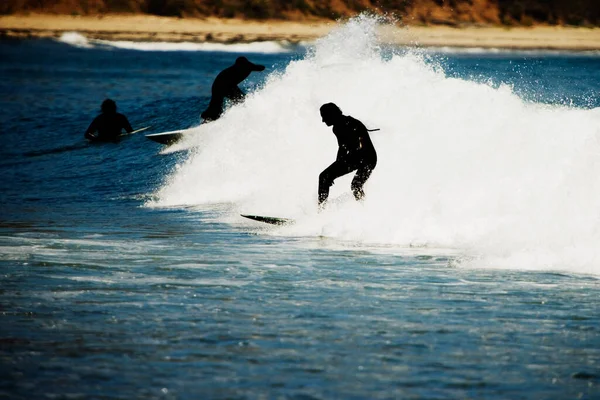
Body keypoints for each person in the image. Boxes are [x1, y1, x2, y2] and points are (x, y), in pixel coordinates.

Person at [318, 103, 377, 209]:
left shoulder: (346, 124)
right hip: (363, 158)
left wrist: (333, 172)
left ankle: (320, 211)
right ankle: (363, 208)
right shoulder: (339, 125)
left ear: (331, 115)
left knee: (325, 177)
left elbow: (348, 148)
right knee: (353, 185)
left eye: (324, 116)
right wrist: (334, 171)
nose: (323, 120)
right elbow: (342, 149)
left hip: (366, 158)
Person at [200, 56, 266, 122]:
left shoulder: (249, 66)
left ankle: (241, 119)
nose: (239, 67)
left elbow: (261, 68)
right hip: (219, 85)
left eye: (241, 65)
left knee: (242, 101)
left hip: (230, 85)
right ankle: (208, 119)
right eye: (237, 65)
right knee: (217, 107)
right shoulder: (234, 69)